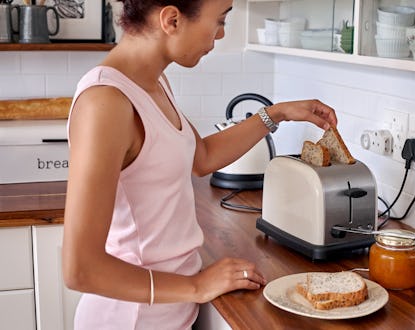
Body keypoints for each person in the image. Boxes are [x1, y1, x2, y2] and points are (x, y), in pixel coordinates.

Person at [62, 0, 337, 329]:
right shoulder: (105, 102)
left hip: (169, 315)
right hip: (130, 320)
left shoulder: (152, 82)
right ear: (172, 20)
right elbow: (80, 268)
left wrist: (276, 113)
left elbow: (202, 155)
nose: (220, 34)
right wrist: (197, 285)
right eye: (220, 20)